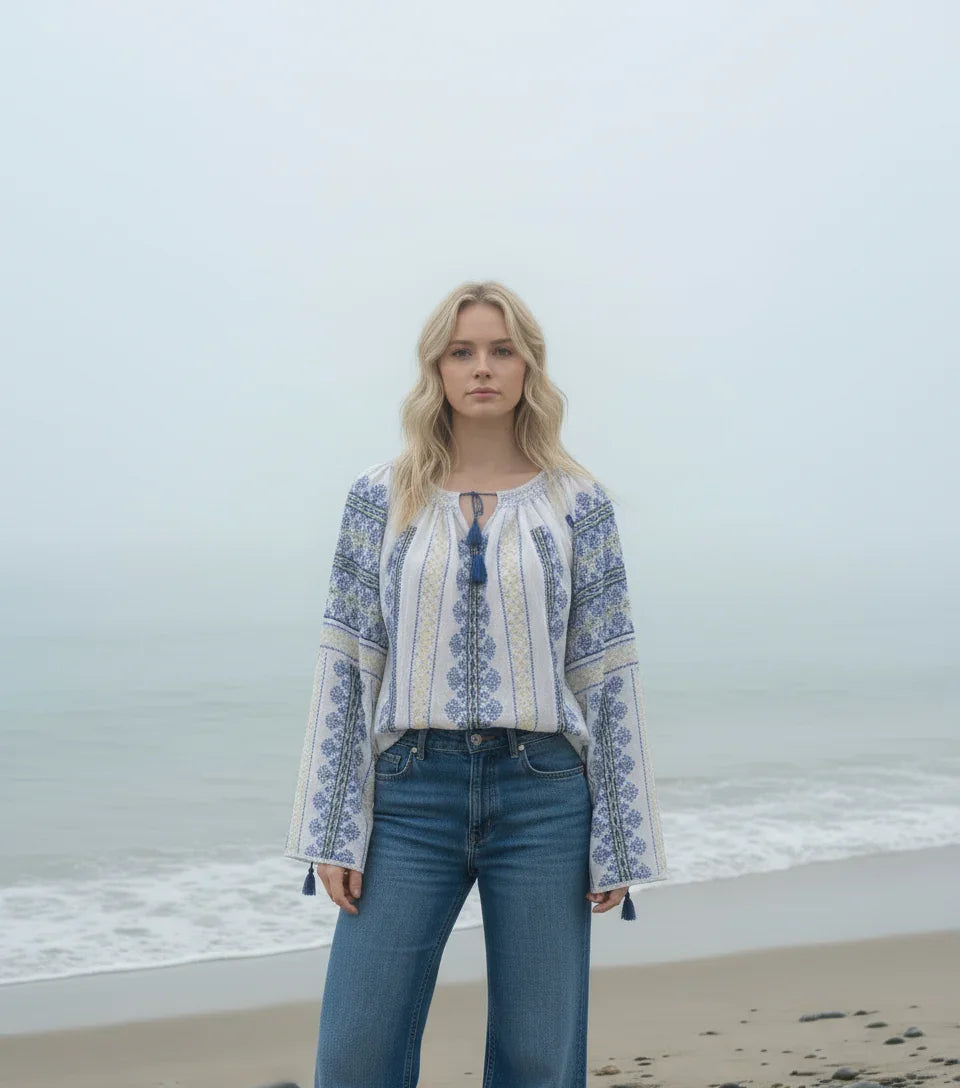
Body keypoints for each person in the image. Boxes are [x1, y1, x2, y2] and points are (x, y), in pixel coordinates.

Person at [283, 280, 669, 1087]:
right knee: (355, 1052)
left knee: (538, 1056)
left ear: (530, 368)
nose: (482, 367)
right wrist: (332, 827)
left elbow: (606, 672)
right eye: (462, 352)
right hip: (409, 796)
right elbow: (350, 662)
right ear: (436, 369)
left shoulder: (578, 502)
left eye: (502, 351)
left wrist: (620, 842)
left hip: (544, 797)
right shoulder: (379, 498)